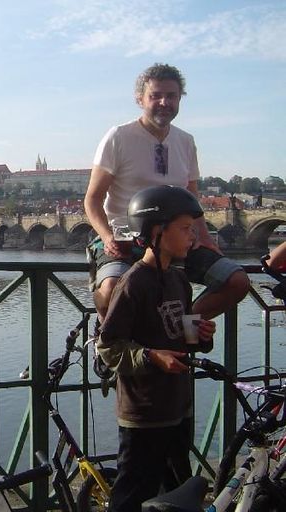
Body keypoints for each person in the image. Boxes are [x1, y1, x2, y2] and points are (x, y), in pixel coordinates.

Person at [85, 62, 250, 322]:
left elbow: (191, 199)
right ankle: (113, 346)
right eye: (156, 95)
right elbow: (92, 199)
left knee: (237, 281)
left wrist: (204, 237)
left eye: (171, 96)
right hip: (124, 239)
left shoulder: (185, 141)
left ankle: (175, 328)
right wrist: (106, 237)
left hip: (175, 240)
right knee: (109, 291)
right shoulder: (118, 136)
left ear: (179, 99)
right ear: (140, 99)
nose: (164, 102)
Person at [97, 185, 216, 512]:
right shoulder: (134, 283)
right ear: (157, 232)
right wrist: (151, 357)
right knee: (132, 496)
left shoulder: (179, 281)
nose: (192, 236)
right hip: (144, 415)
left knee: (177, 496)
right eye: (184, 228)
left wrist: (201, 335)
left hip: (177, 408)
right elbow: (108, 347)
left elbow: (180, 336)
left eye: (193, 229)